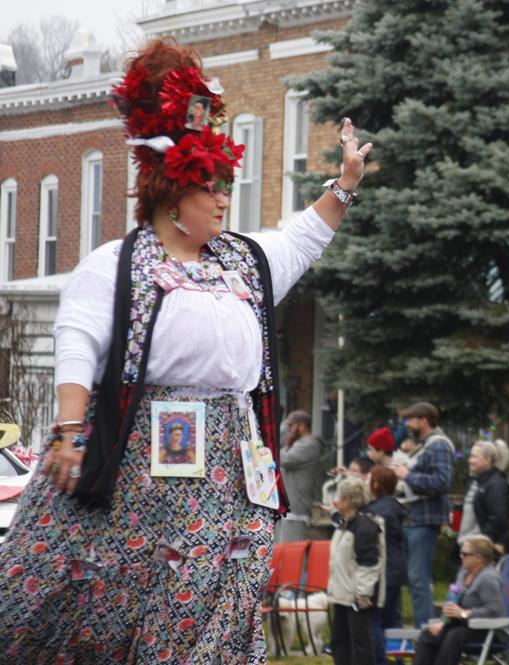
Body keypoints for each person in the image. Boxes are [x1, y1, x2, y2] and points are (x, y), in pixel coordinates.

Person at [0, 37, 372, 662]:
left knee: (218, 587)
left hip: (233, 464)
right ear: (172, 192)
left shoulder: (245, 262)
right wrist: (68, 427)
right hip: (144, 463)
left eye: (226, 184)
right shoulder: (119, 265)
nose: (225, 197)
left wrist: (346, 183)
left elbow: (302, 238)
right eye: (211, 186)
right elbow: (78, 343)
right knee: (123, 584)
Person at [392, 401, 455, 628]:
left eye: (411, 419)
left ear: (424, 420)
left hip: (425, 520)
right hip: (412, 518)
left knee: (419, 579)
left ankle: (425, 632)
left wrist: (408, 476)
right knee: (413, 578)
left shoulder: (438, 445)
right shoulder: (425, 445)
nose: (407, 424)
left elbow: (442, 482)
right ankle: (419, 630)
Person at [413, 535, 505, 665]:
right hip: (462, 625)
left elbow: (495, 610)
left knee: (454, 636)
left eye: (465, 554)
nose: (461, 556)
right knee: (429, 634)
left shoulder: (488, 578)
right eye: (461, 553)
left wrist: (464, 613)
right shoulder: (463, 572)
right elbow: (454, 599)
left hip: (488, 631)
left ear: (478, 558)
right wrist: (443, 623)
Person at [328, 476, 384, 665]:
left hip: (358, 597)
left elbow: (369, 564)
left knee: (360, 643)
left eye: (341, 497)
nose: (336, 501)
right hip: (342, 593)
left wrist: (363, 594)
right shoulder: (345, 523)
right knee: (338, 641)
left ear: (351, 500)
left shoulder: (365, 526)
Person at [365, 465, 408, 665]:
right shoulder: (394, 507)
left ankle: (379, 661)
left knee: (374, 620)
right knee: (393, 621)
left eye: (368, 480)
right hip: (396, 569)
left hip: (384, 571)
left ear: (376, 484)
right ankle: (398, 661)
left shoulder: (377, 511)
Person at [457, 440, 509, 551]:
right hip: (468, 547)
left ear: (487, 460)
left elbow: (497, 518)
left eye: (474, 457)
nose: (469, 461)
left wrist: (481, 544)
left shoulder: (496, 484)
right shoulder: (475, 481)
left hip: (480, 551)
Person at [277, 410, 323, 543]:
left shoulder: (310, 444)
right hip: (287, 508)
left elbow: (283, 459)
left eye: (291, 426)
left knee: (291, 555)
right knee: (280, 555)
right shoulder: (294, 444)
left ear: (302, 426)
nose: (288, 430)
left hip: (296, 510)